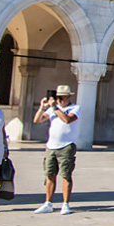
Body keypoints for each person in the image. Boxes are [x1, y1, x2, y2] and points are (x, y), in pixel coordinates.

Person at [32, 85, 80, 215]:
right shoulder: (53, 110)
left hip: (67, 146)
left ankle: (65, 204)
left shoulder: (75, 108)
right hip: (51, 146)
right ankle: (48, 203)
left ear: (68, 96)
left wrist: (54, 107)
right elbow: (37, 120)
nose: (59, 100)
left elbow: (67, 120)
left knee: (66, 175)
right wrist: (43, 107)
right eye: (57, 97)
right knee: (50, 175)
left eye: (61, 97)